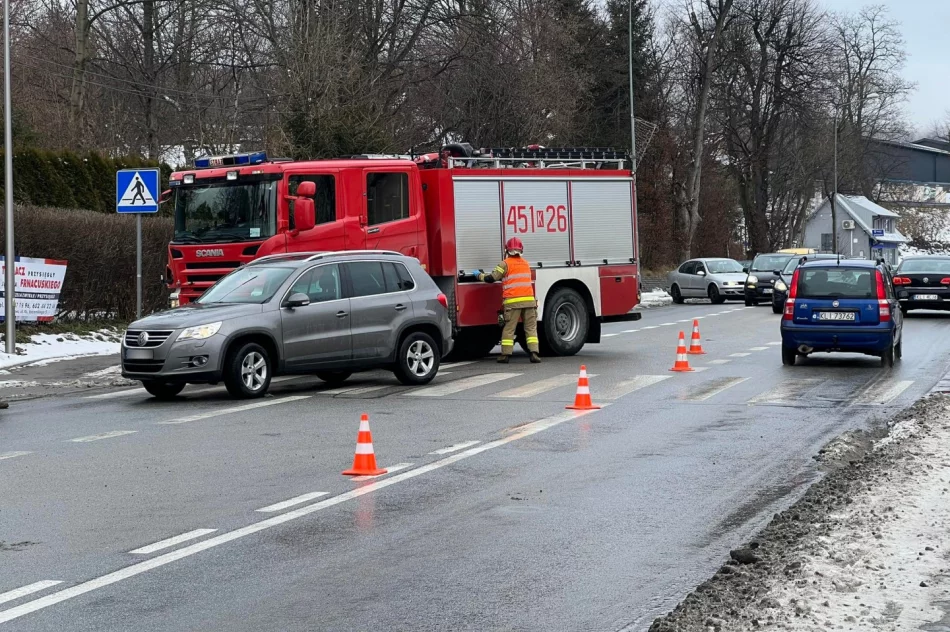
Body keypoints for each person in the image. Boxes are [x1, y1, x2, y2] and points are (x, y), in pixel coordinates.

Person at [478, 237, 541, 364]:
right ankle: (534, 353)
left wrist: (479, 275)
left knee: (509, 328)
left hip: (513, 303)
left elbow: (491, 278)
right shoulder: (525, 263)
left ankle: (505, 355)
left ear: (507, 250)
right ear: (521, 250)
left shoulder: (505, 264)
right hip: (529, 302)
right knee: (531, 328)